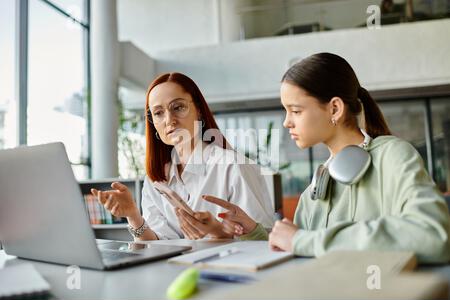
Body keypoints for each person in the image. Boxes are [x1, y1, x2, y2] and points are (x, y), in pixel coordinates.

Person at [213, 52, 450, 264]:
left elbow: (432, 235)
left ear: (334, 108)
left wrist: (303, 241)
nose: (287, 122)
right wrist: (254, 232)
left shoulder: (392, 155)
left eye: (295, 111)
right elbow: (302, 246)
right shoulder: (315, 190)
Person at [91, 72, 274, 240]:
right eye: (159, 113)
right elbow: (157, 244)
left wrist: (218, 232)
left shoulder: (232, 165)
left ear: (199, 111)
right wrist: (132, 215)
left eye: (178, 107)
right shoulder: (156, 180)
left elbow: (263, 240)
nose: (169, 120)